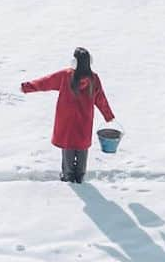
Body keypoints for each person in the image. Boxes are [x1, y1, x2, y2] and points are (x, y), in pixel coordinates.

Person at [21, 47, 115, 183]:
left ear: (74, 62)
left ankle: (68, 175)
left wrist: (27, 87)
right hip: (84, 121)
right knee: (82, 147)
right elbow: (101, 99)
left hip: (66, 121)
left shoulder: (65, 75)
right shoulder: (93, 79)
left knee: (68, 146)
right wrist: (108, 115)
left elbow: (45, 82)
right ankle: (80, 175)